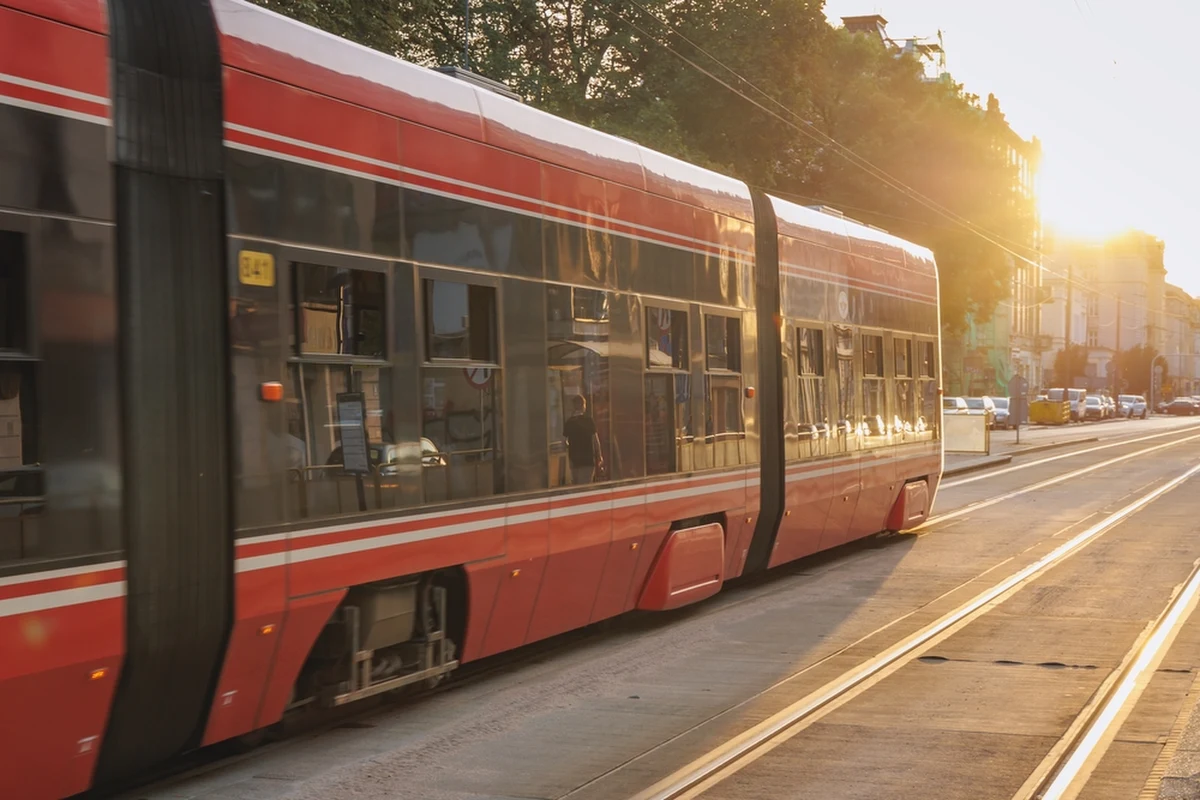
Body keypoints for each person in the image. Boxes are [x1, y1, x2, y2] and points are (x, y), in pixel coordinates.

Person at [562, 395, 603, 485]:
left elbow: (564, 442)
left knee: (576, 486)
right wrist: (599, 455)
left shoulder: (569, 422)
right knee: (585, 486)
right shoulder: (588, 421)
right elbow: (595, 440)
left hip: (574, 460)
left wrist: (570, 446)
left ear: (574, 406)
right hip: (587, 460)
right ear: (583, 406)